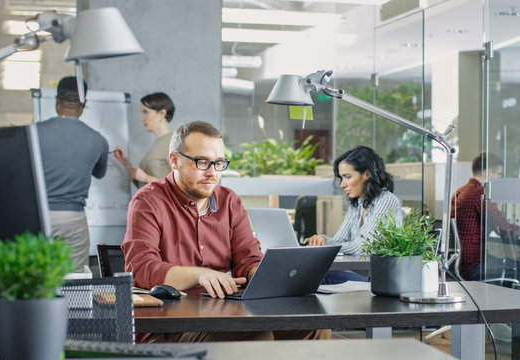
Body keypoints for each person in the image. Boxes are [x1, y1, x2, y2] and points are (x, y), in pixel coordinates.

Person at [122, 121, 329, 342]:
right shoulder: (148, 201)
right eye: (202, 163)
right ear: (174, 160)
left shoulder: (229, 201)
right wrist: (199, 274)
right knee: (257, 335)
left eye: (219, 163)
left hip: (222, 315)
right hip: (168, 325)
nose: (212, 173)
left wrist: (266, 275)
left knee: (314, 328)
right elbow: (142, 270)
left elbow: (248, 259)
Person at [36, 76, 109, 272]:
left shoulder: (33, 132)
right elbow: (99, 173)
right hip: (72, 218)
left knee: (34, 276)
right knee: (74, 281)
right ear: (84, 104)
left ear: (57, 101)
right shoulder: (98, 140)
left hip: (38, 215)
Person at [304, 146, 402, 284]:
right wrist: (322, 240)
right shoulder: (358, 204)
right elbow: (340, 239)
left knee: (315, 275)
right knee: (311, 272)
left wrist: (325, 246)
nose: (343, 184)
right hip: (363, 276)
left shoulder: (387, 201)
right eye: (341, 178)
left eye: (348, 177)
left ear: (367, 174)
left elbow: (361, 247)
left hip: (382, 281)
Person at [452, 152, 520, 281]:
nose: (498, 178)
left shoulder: (460, 191)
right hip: (473, 266)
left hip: (462, 263)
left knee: (515, 263)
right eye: (498, 174)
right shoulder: (478, 194)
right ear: (488, 171)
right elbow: (506, 230)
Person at [114, 92, 175, 187]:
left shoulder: (174, 142)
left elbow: (181, 187)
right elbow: (143, 185)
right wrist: (125, 163)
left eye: (146, 112)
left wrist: (146, 178)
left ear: (162, 113)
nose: (142, 118)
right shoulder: (158, 142)